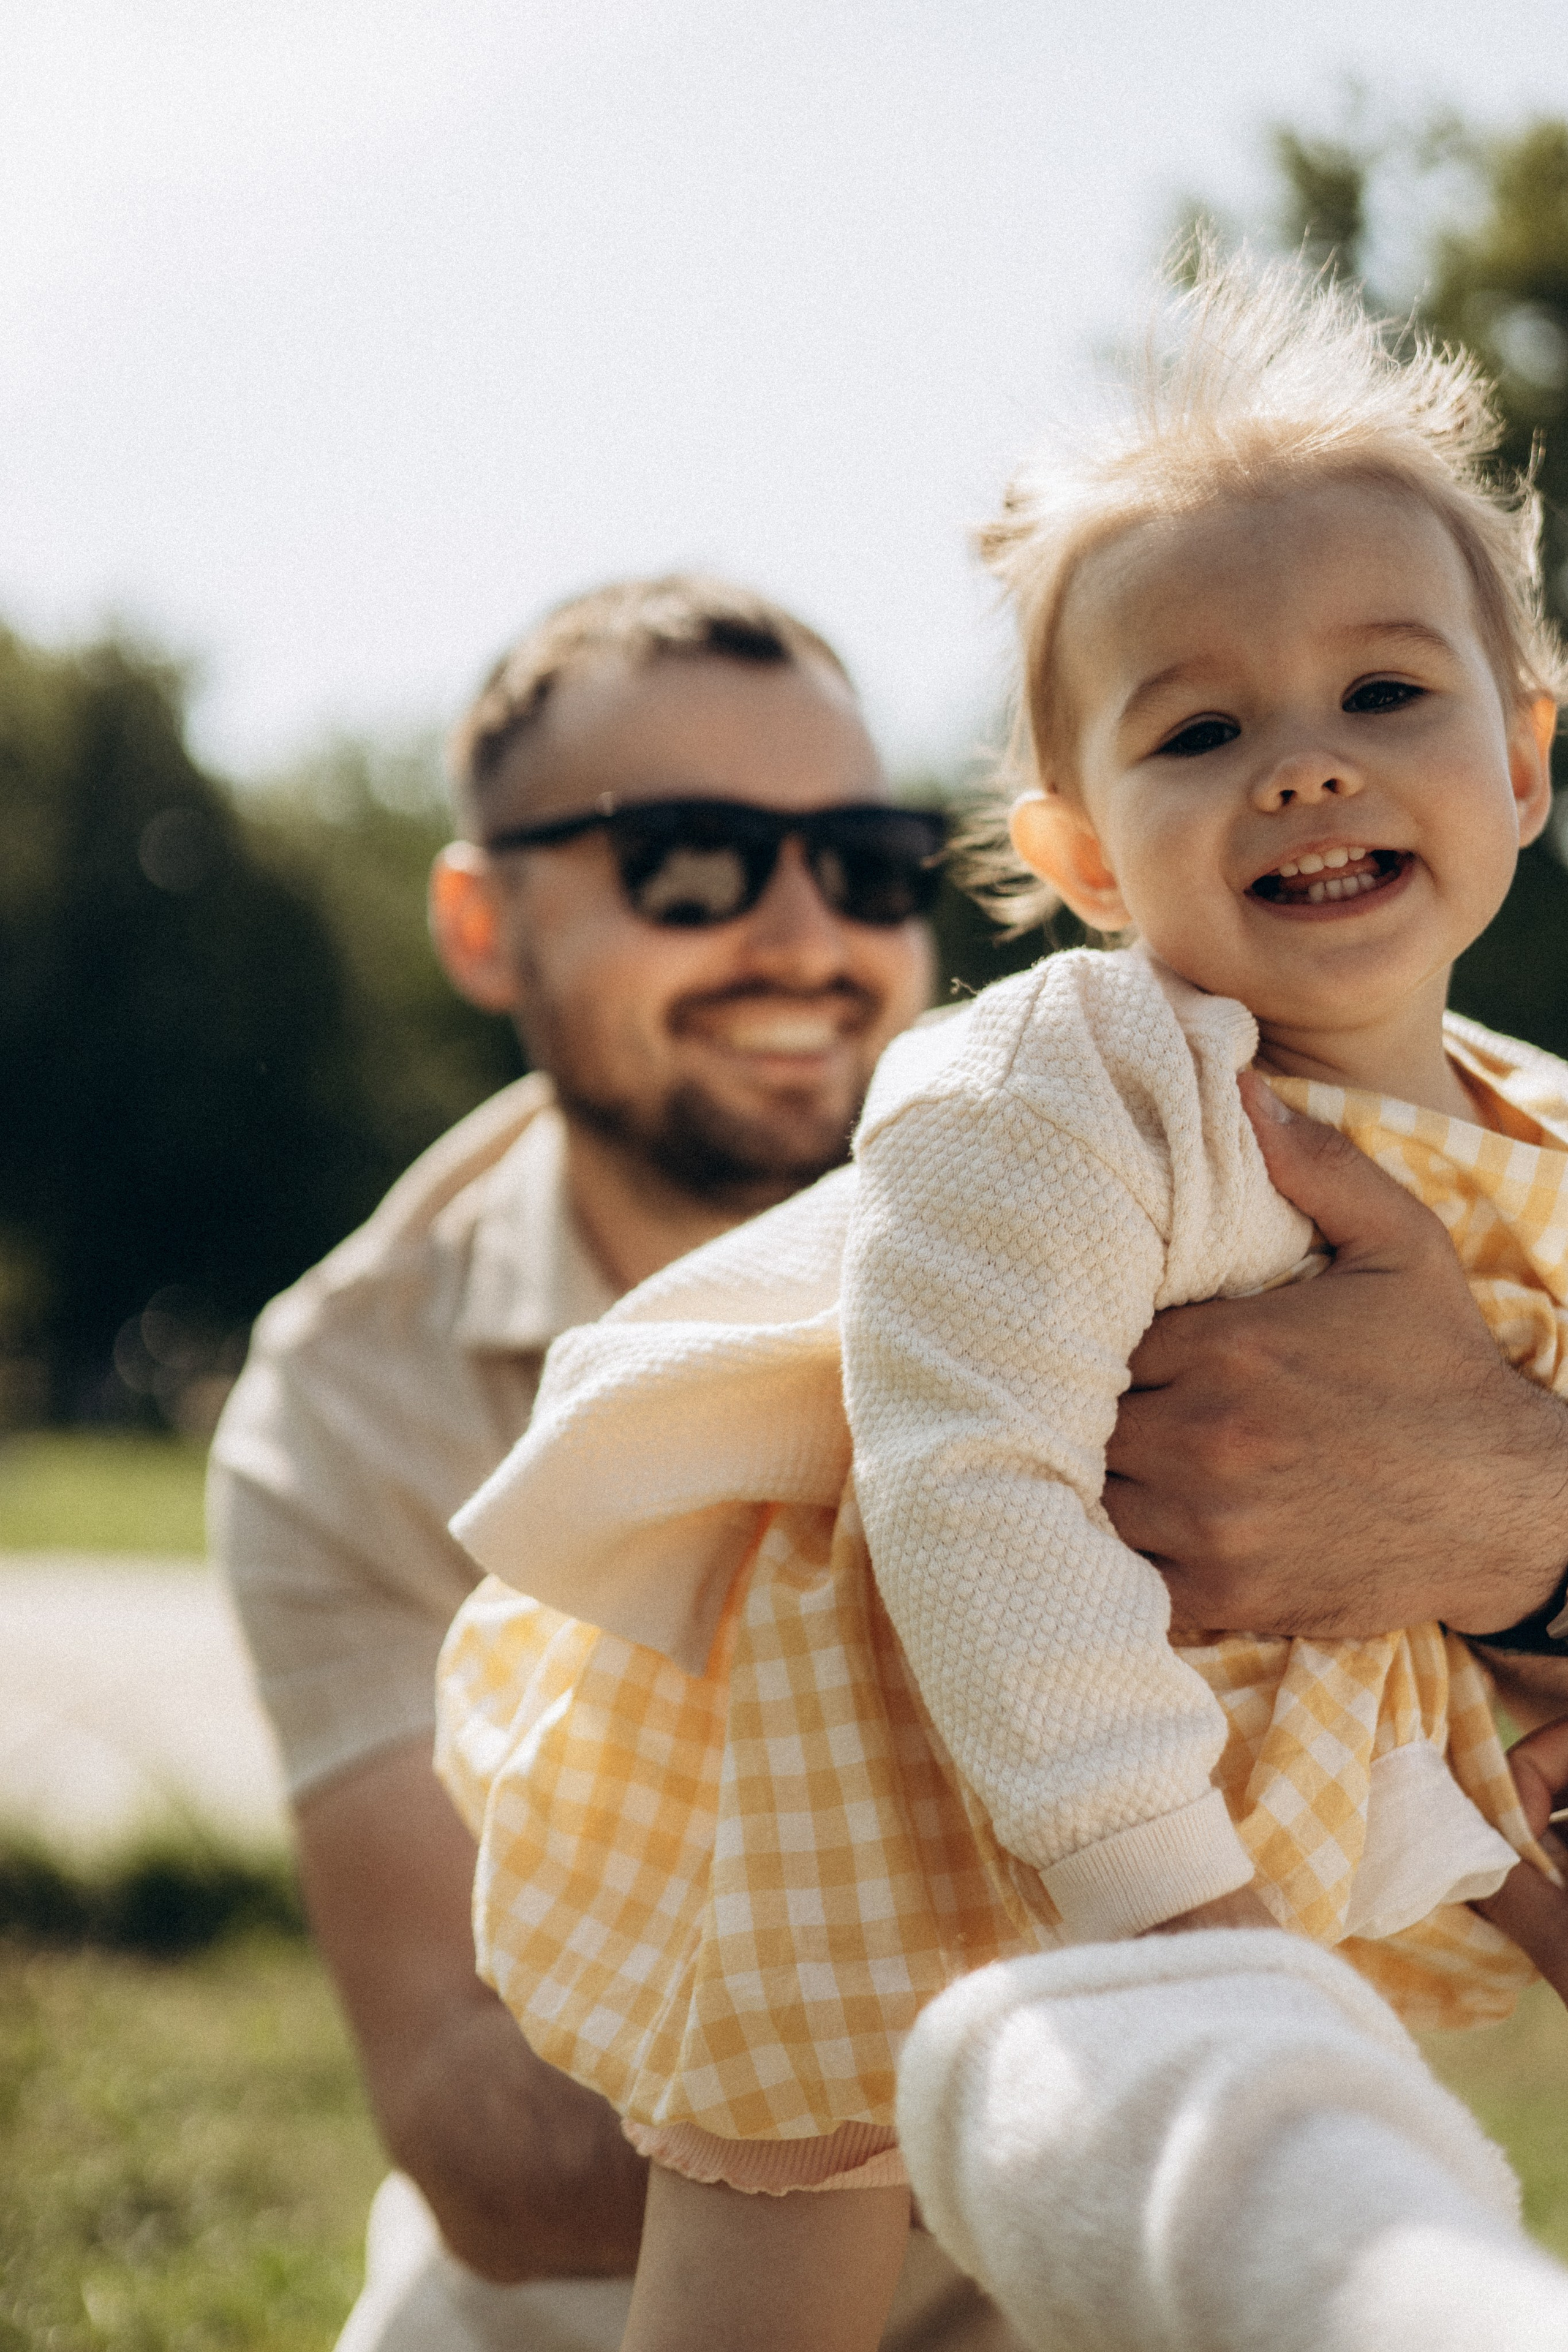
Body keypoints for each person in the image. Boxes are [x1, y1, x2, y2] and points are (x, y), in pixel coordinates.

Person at [437, 255, 1568, 2352]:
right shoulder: (1059, 1085)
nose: (1304, 767)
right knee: (791, 2227)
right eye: (1203, 728)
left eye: (1386, 695)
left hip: (1282, 1743)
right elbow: (971, 1485)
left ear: (1524, 757)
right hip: (899, 1746)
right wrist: (1171, 1908)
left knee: (1253, 2228)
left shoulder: (1542, 1126)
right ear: (1084, 851)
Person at [211, 574, 963, 2352]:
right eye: (687, 859)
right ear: (483, 927)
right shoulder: (343, 1405)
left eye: (867, 858)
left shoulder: (1125, 1207)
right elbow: (476, 2119)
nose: (804, 937)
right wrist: (1097, 2123)